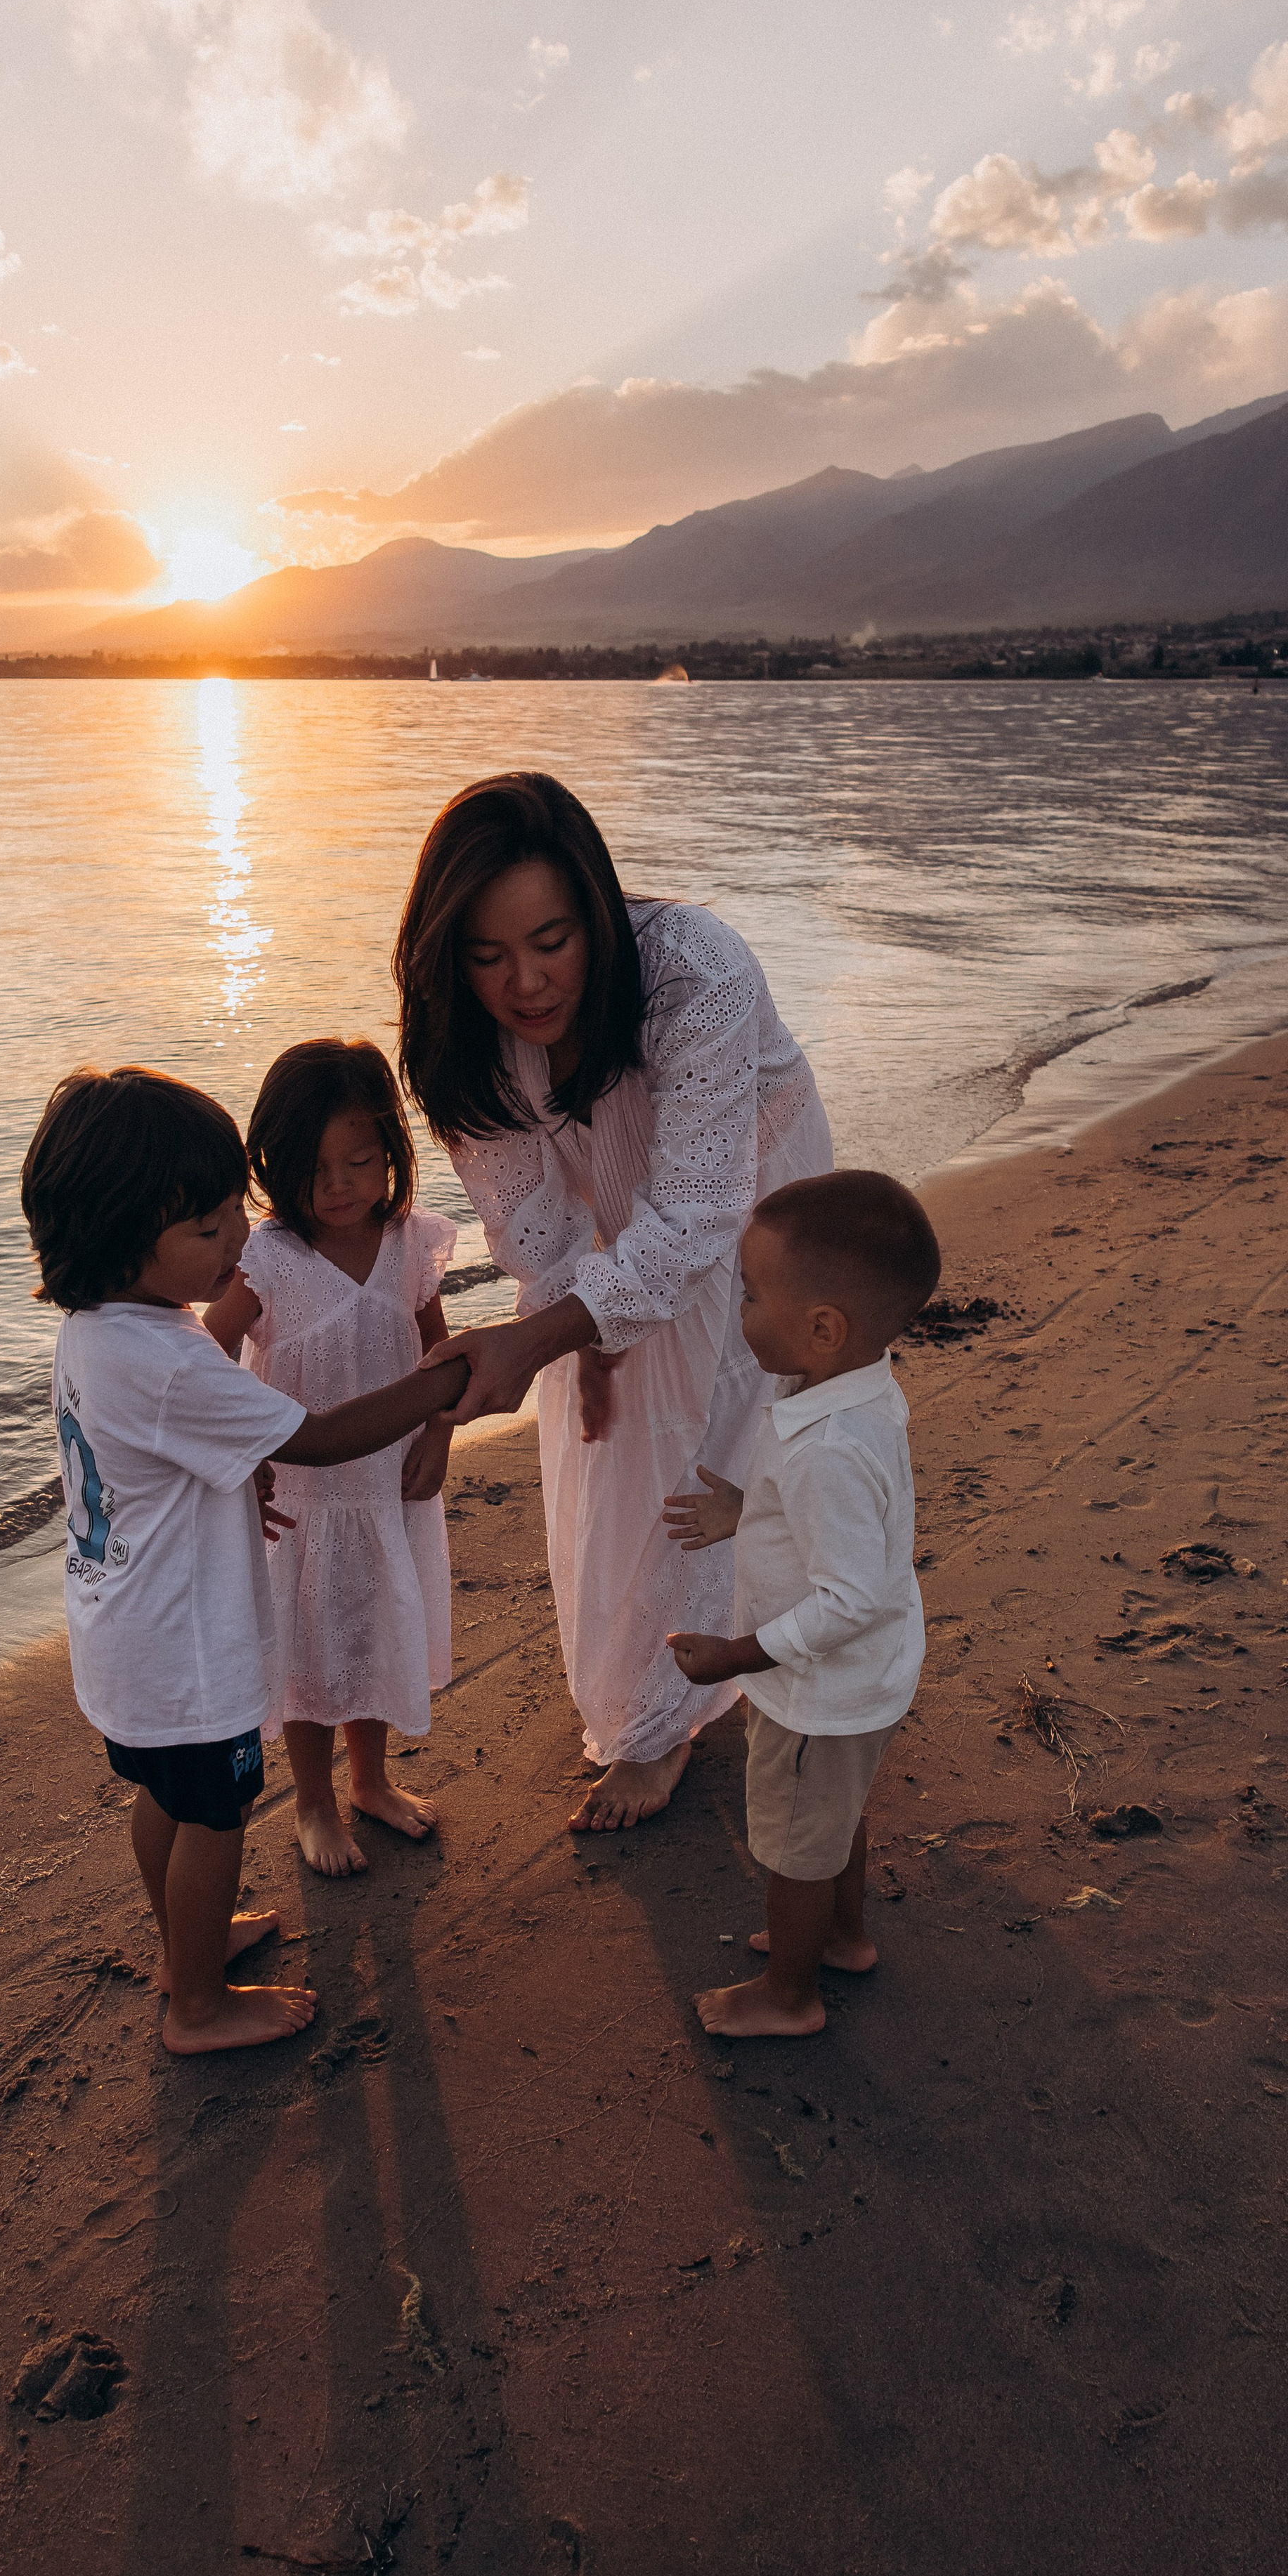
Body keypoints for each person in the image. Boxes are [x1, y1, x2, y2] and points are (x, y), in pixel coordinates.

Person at [395, 771, 832, 1833]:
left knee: (725, 1426)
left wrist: (540, 1338)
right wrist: (569, 1334)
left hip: (754, 1188)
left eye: (552, 940)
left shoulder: (697, 975)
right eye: (488, 955)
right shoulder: (463, 1037)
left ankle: (672, 1713)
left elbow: (692, 1217)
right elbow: (535, 1225)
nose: (527, 984)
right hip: (630, 1213)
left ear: (595, 909)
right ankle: (671, 1690)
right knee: (616, 1442)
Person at [19, 1065, 468, 2058]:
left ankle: (191, 1947)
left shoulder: (97, 1333)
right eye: (210, 1227)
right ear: (122, 1232)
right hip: (189, 1652)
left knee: (165, 1800)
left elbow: (168, 1455)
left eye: (233, 1215)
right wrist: (455, 1378)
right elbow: (311, 1436)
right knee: (217, 1815)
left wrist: (230, 1472)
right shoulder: (173, 1358)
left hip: (121, 1636)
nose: (237, 1241)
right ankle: (199, 2010)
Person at [663, 1170, 938, 2039]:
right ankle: (842, 1937)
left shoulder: (829, 1447)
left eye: (751, 1298)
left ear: (821, 1328)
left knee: (788, 1846)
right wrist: (747, 1513)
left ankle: (788, 1995)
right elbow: (843, 1531)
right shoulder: (844, 1388)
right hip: (858, 1682)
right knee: (829, 1823)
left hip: (821, 1694)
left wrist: (737, 1655)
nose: (741, 1313)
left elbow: (848, 1598)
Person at [204, 1039, 458, 1878]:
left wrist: (438, 1434)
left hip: (386, 1488)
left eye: (362, 1160)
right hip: (304, 1499)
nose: (343, 1184)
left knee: (375, 1626)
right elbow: (208, 1352)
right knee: (310, 1647)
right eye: (318, 1169)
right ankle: (313, 1798)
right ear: (274, 1165)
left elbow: (437, 1348)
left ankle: (370, 1781)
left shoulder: (408, 1242)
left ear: (392, 1153)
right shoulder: (270, 1259)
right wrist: (242, 1454)